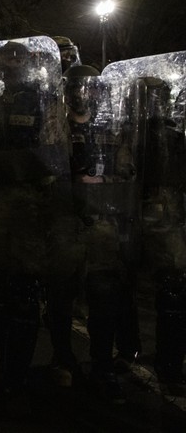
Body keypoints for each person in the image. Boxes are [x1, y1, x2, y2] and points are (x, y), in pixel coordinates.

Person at [0, 40, 69, 397]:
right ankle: (2, 360)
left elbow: (54, 159)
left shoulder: (45, 104)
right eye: (2, 65)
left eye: (13, 64)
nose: (7, 71)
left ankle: (18, 374)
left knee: (24, 292)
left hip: (29, 211)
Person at [46, 64, 136, 402]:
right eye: (75, 88)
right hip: (64, 219)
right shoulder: (54, 126)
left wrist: (101, 181)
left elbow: (127, 171)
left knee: (103, 297)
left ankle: (102, 366)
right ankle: (63, 359)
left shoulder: (110, 127)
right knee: (61, 295)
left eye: (87, 88)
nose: (81, 94)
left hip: (101, 222)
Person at [136, 72, 186, 397]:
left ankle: (168, 364)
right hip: (136, 219)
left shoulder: (172, 136)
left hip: (167, 220)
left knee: (172, 292)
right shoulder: (130, 134)